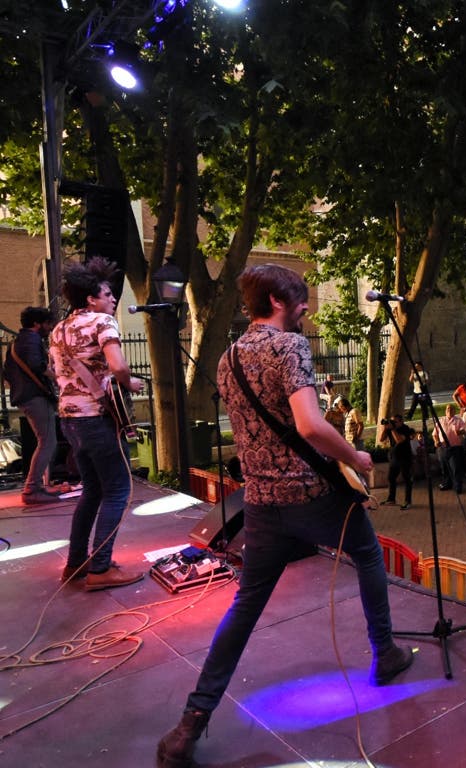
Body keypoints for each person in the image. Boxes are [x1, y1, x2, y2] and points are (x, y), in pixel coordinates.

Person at [157, 264, 412, 768]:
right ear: (275, 300)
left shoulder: (230, 356)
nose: (305, 308)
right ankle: (384, 653)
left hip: (261, 505)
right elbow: (309, 425)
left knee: (245, 608)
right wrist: (357, 458)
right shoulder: (289, 348)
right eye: (299, 300)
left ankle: (191, 723)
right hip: (312, 495)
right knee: (366, 554)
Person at [48, 259, 145, 590]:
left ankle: (75, 564)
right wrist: (129, 383)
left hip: (69, 419)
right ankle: (101, 569)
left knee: (92, 490)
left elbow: (54, 372)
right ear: (91, 298)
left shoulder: (58, 330)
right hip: (96, 419)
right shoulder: (103, 321)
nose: (113, 298)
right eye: (107, 292)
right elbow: (118, 366)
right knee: (118, 489)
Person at [4, 306, 59, 504]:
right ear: (37, 324)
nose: (50, 327)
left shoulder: (18, 342)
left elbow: (7, 373)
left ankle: (39, 486)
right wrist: (58, 376)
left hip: (26, 397)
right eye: (47, 323)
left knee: (44, 441)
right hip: (35, 397)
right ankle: (32, 489)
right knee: (48, 442)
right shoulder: (31, 339)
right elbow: (37, 365)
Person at [379, 413, 414, 509]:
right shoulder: (390, 429)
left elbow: (399, 440)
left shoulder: (405, 429)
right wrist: (386, 428)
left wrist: (393, 428)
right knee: (391, 478)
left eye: (395, 422)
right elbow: (381, 439)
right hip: (394, 458)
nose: (393, 423)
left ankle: (408, 502)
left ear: (401, 422)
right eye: (392, 421)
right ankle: (391, 499)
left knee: (407, 479)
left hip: (405, 458)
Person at [433, 403, 466, 493]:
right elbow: (435, 434)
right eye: (448, 409)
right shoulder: (441, 420)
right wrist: (436, 441)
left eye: (451, 409)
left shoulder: (459, 420)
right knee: (444, 468)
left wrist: (459, 432)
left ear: (454, 411)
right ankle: (447, 484)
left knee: (455, 468)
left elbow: (464, 430)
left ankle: (458, 486)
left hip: (455, 448)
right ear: (445, 411)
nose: (449, 410)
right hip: (442, 448)